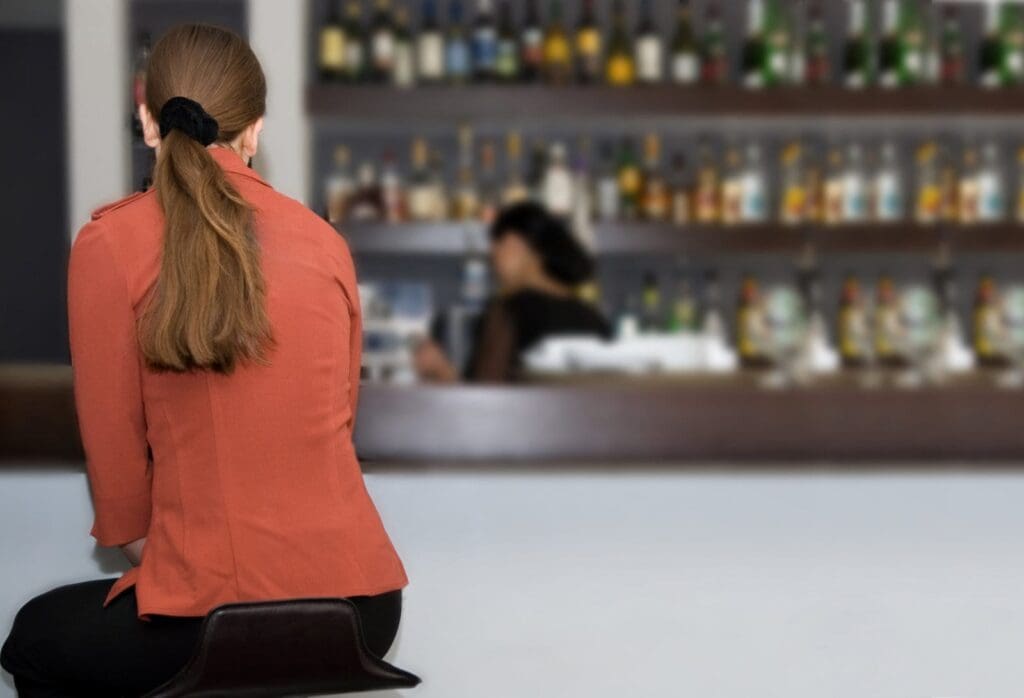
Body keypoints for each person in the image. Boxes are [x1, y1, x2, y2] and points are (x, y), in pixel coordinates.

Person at [0, 24, 407, 697]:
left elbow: (122, 497)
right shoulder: (325, 242)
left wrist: (187, 564)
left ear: (146, 119)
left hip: (217, 613)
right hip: (363, 611)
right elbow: (334, 426)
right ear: (255, 132)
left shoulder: (110, 244)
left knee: (34, 637)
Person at [415, 202, 612, 383]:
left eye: (498, 241)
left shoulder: (510, 311)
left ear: (520, 244)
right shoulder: (594, 318)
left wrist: (441, 371)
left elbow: (484, 406)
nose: (492, 254)